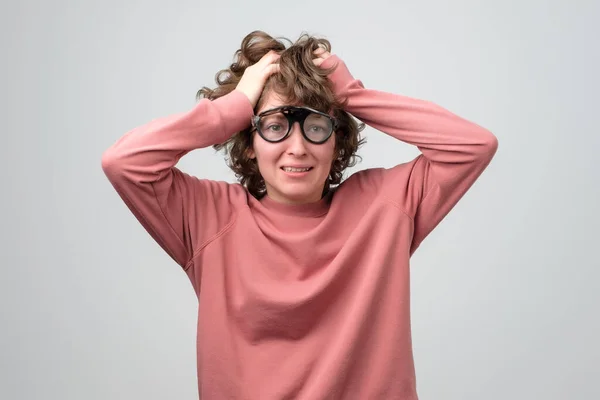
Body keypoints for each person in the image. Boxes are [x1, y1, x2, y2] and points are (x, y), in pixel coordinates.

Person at [101, 30, 498, 400]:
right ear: (250, 141)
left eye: (315, 125)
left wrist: (351, 95)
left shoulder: (383, 205)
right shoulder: (210, 216)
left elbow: (473, 146)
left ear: (336, 139)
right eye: (275, 126)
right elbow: (124, 162)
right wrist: (235, 106)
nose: (297, 147)